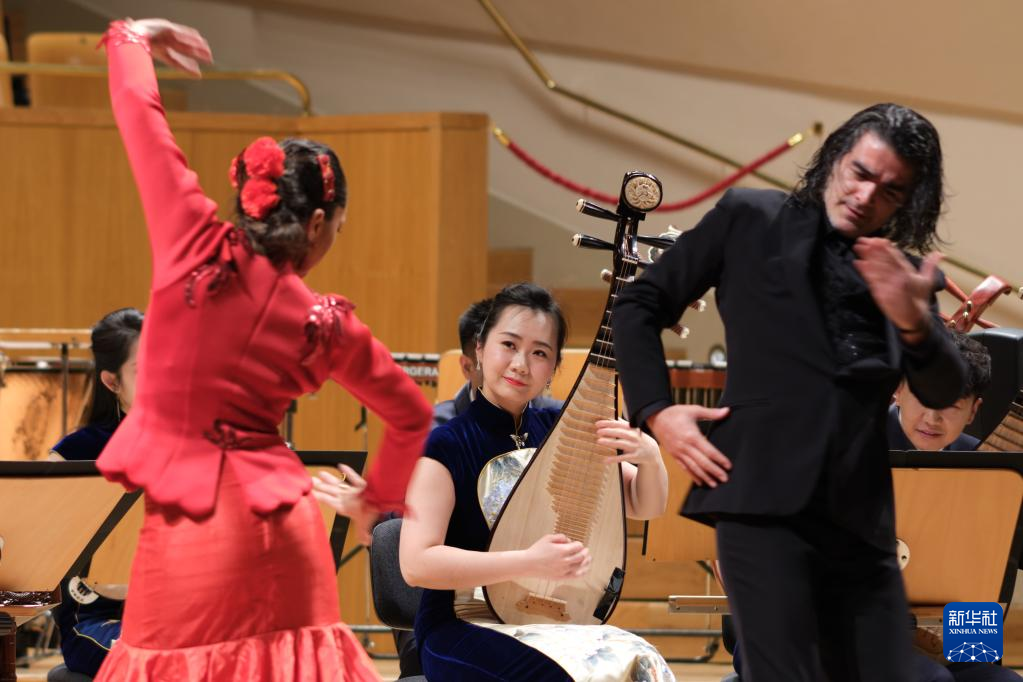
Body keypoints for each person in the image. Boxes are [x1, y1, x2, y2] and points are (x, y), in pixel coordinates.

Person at [93, 18, 432, 681]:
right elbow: (411, 413)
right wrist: (375, 503)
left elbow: (140, 115)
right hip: (279, 532)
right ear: (316, 223)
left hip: (185, 532)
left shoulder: (189, 239)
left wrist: (133, 37)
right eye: (338, 229)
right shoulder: (322, 323)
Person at [613, 103, 968, 681]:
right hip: (760, 504)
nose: (866, 196)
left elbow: (945, 386)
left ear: (907, 202)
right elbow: (640, 305)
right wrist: (657, 411)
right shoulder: (750, 218)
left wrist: (915, 323)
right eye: (860, 172)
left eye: (890, 190)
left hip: (859, 519)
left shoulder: (899, 273)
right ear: (836, 157)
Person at [394, 282, 672, 681]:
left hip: (549, 622)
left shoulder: (562, 429)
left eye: (539, 352)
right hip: (461, 623)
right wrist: (528, 562)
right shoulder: (447, 443)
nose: (521, 364)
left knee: (642, 663)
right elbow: (416, 564)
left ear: (554, 368)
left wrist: (650, 457)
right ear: (480, 349)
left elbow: (643, 504)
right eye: (509, 344)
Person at [723, 331, 1017, 682]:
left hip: (931, 634)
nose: (932, 418)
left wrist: (972, 645)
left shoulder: (987, 466)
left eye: (951, 406)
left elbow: (978, 575)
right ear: (899, 388)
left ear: (973, 411)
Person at [47, 308, 141, 677]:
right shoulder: (75, 453)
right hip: (96, 619)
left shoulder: (195, 443)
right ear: (112, 381)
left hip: (176, 611)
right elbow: (48, 555)